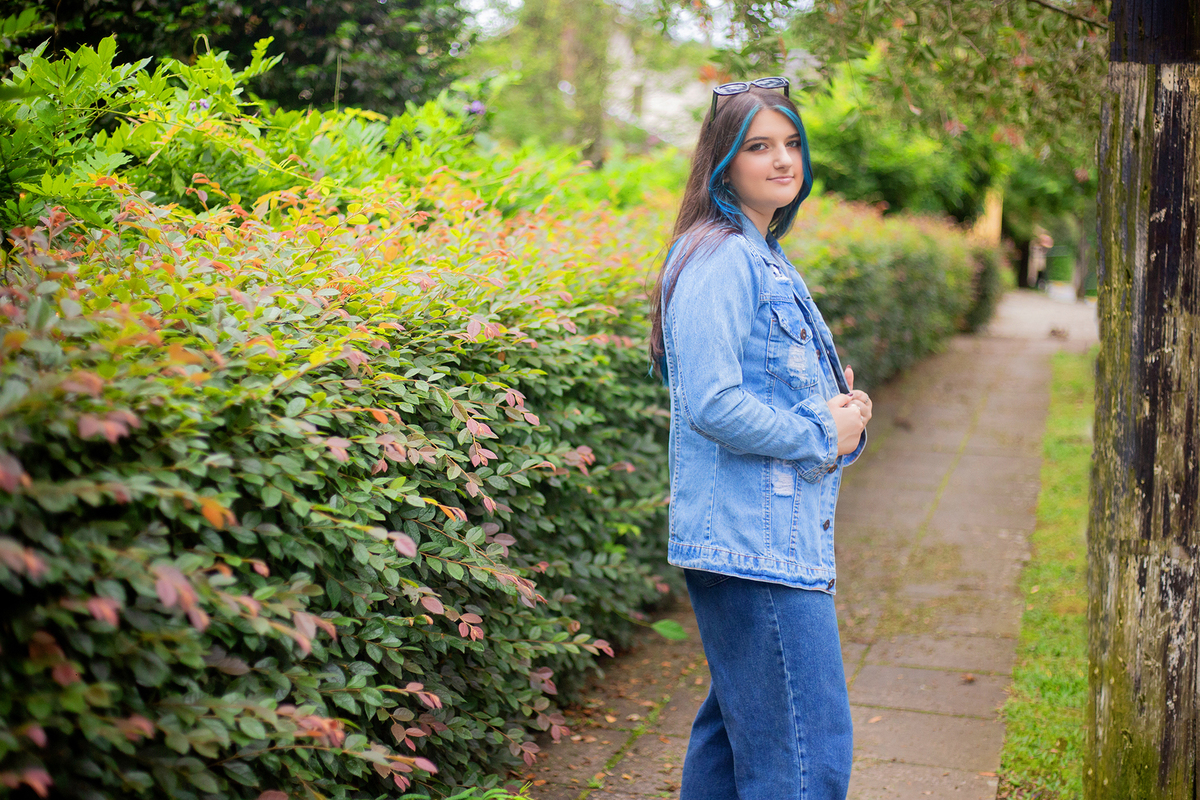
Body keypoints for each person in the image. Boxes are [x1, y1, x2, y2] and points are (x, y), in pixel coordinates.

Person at [647, 78, 873, 800]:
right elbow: (711, 403)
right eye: (759, 147)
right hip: (757, 548)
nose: (783, 161)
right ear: (723, 163)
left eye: (792, 144)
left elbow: (759, 384)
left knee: (733, 743)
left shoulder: (758, 252)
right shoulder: (724, 257)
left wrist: (837, 412)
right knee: (807, 762)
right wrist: (818, 432)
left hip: (759, 538)